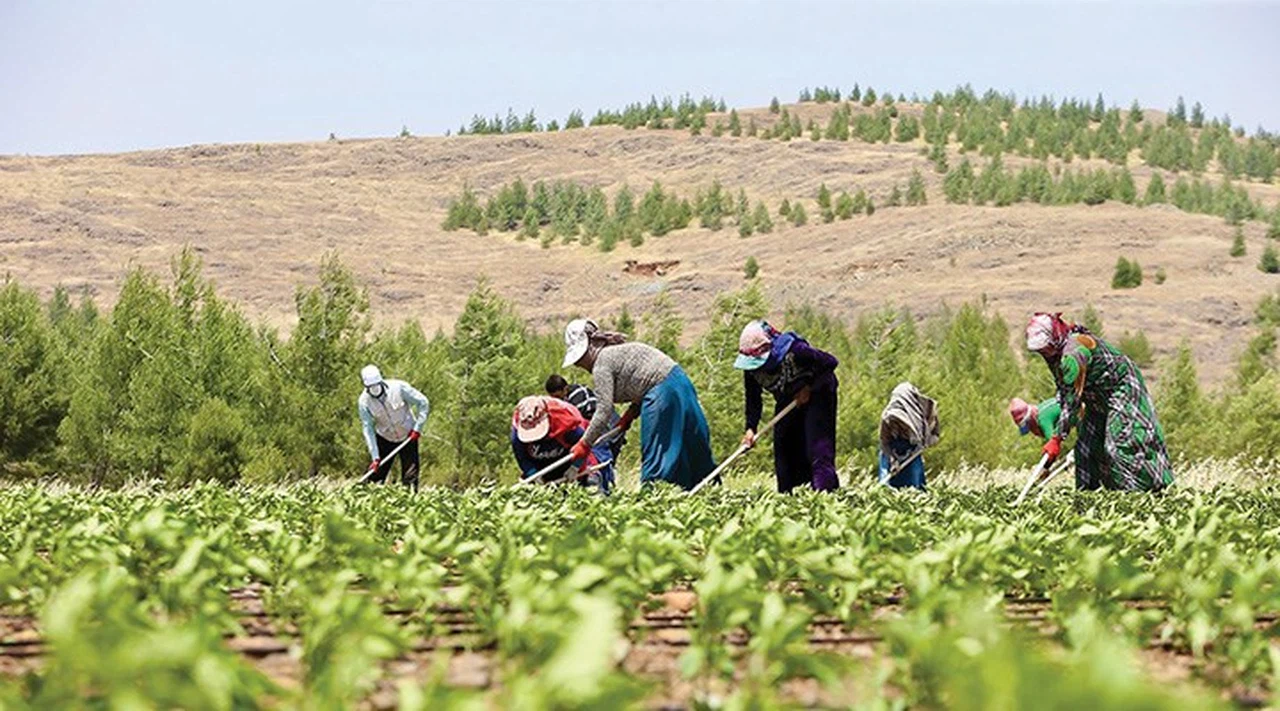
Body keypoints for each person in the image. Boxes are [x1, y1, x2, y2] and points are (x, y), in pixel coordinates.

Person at [1025, 312, 1173, 491]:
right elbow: (1065, 392)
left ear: (1055, 337)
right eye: (1041, 351)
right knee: (1085, 449)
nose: (1044, 353)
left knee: (1118, 445)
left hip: (1121, 388)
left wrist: (1057, 438)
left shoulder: (1074, 352)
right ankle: (1086, 499)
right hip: (1095, 396)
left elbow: (1072, 401)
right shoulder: (1054, 355)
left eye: (1046, 348)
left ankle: (1136, 495)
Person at [563, 319, 716, 491]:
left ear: (589, 348)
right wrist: (630, 414)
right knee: (693, 445)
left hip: (662, 393)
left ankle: (652, 498)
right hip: (680, 382)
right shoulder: (615, 353)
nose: (578, 365)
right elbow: (640, 379)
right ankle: (707, 490)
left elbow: (604, 410)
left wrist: (584, 444)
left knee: (657, 454)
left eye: (579, 359)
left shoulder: (601, 364)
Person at [733, 320, 841, 493]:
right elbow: (753, 399)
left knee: (817, 449)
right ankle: (789, 498)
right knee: (784, 449)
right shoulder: (751, 369)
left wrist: (809, 387)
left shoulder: (796, 351)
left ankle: (824, 495)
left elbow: (830, 362)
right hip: (788, 396)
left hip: (819, 391)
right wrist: (750, 428)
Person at [512, 395, 614, 494]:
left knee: (590, 488)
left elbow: (583, 447)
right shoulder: (517, 433)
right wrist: (534, 475)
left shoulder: (567, 426)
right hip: (541, 467)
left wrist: (575, 467)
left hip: (569, 459)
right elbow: (522, 457)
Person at [357, 364, 430, 491]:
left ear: (381, 381)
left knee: (410, 477)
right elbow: (368, 429)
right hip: (384, 438)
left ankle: (409, 499)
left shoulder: (399, 388)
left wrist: (417, 428)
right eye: (371, 387)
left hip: (408, 437)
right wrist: (375, 457)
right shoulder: (364, 402)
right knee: (375, 478)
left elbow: (423, 402)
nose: (375, 389)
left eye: (376, 385)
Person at [545, 373, 625, 459]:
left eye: (557, 396)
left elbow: (576, 421)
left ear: (565, 389)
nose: (556, 400)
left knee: (604, 457)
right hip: (601, 423)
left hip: (608, 424)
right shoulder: (567, 398)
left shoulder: (577, 396)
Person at [878, 382, 940, 490]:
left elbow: (935, 434)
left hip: (913, 453)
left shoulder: (921, 413)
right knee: (887, 487)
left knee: (913, 487)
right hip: (890, 451)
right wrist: (893, 461)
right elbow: (884, 442)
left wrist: (928, 441)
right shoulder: (888, 416)